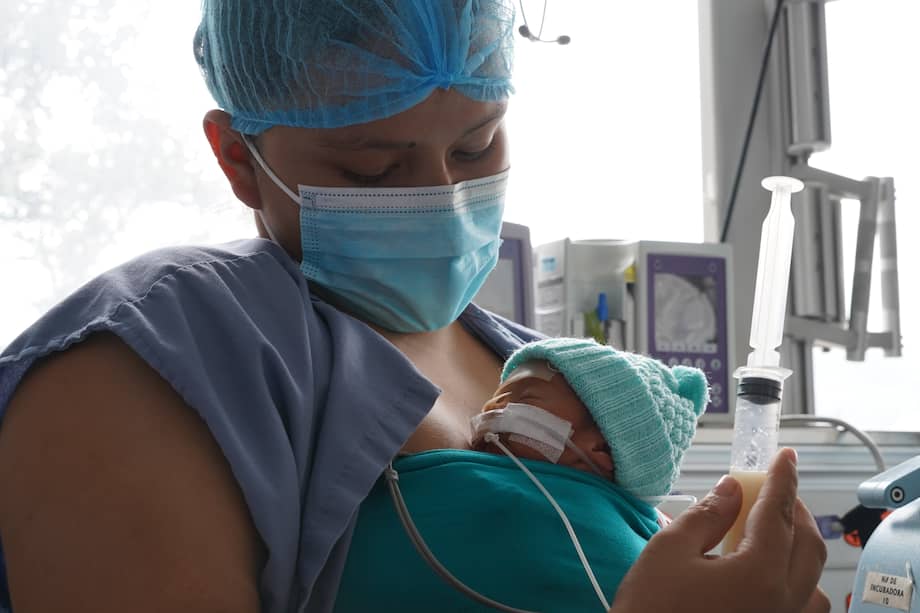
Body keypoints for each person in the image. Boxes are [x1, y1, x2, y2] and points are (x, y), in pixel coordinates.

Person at [0, 1, 828, 612]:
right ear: (237, 159)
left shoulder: (536, 368)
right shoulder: (145, 361)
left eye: (476, 145)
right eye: (372, 166)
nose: (443, 195)